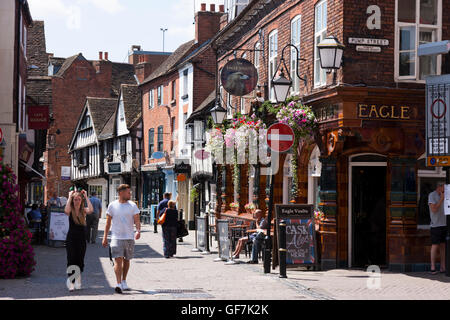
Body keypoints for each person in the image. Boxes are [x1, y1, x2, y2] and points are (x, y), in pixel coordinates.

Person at [102, 184, 141, 294]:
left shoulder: (133, 205)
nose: (130, 194)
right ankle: (118, 284)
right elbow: (108, 223)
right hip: (116, 237)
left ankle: (124, 281)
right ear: (121, 193)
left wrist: (138, 231)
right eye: (128, 192)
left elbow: (137, 220)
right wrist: (105, 237)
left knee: (127, 260)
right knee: (118, 260)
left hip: (129, 237)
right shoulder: (112, 205)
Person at [64, 189, 94, 291]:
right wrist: (69, 197)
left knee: (79, 260)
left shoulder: (83, 210)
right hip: (71, 238)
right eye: (75, 199)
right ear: (73, 200)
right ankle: (71, 281)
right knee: (71, 259)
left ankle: (77, 279)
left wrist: (86, 197)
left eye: (79, 199)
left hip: (81, 239)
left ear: (81, 201)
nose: (77, 201)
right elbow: (66, 211)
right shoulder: (71, 210)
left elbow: (91, 210)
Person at [428, 181, 447, 274]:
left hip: (445, 224)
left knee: (443, 246)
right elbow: (434, 209)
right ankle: (433, 267)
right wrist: (441, 199)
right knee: (435, 245)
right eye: (444, 187)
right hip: (435, 225)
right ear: (439, 187)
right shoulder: (432, 195)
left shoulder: (446, 195)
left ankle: (443, 266)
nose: (445, 189)